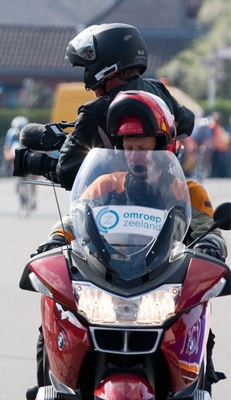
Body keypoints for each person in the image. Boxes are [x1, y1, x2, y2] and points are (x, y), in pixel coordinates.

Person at [26, 90, 227, 399]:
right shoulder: (106, 184)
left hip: (163, 281)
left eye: (143, 146)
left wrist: (211, 245)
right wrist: (56, 238)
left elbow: (207, 228)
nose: (135, 154)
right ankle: (52, 385)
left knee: (197, 313)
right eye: (128, 147)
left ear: (163, 146)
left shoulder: (185, 189)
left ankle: (199, 386)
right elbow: (74, 216)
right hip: (105, 275)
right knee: (56, 305)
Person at [55, 23, 195, 190]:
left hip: (113, 200)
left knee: (69, 218)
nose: (87, 72)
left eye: (87, 67)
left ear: (107, 63)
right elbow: (187, 122)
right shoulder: (158, 90)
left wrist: (38, 162)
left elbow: (66, 171)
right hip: (163, 196)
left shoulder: (94, 111)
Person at [4, 116, 36, 213]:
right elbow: (7, 148)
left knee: (33, 173)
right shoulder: (11, 134)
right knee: (14, 155)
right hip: (16, 153)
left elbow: (35, 148)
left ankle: (33, 196)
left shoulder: (30, 133)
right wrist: (7, 159)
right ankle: (17, 178)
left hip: (28, 153)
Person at [208, 112, 231, 178]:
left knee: (219, 162)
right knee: (215, 162)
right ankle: (214, 174)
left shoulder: (218, 127)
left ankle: (220, 174)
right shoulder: (213, 125)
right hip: (216, 147)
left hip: (220, 148)